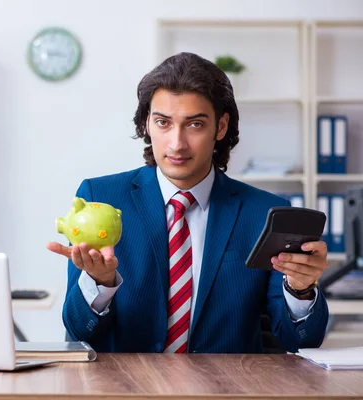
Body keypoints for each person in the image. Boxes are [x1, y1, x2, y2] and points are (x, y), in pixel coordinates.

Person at [47, 52, 330, 354]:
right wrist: (99, 282)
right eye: (163, 123)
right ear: (147, 124)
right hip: (127, 388)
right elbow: (78, 330)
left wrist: (301, 289)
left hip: (227, 390)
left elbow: (301, 340)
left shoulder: (265, 214)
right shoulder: (99, 196)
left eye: (194, 125)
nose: (177, 143)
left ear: (220, 128)